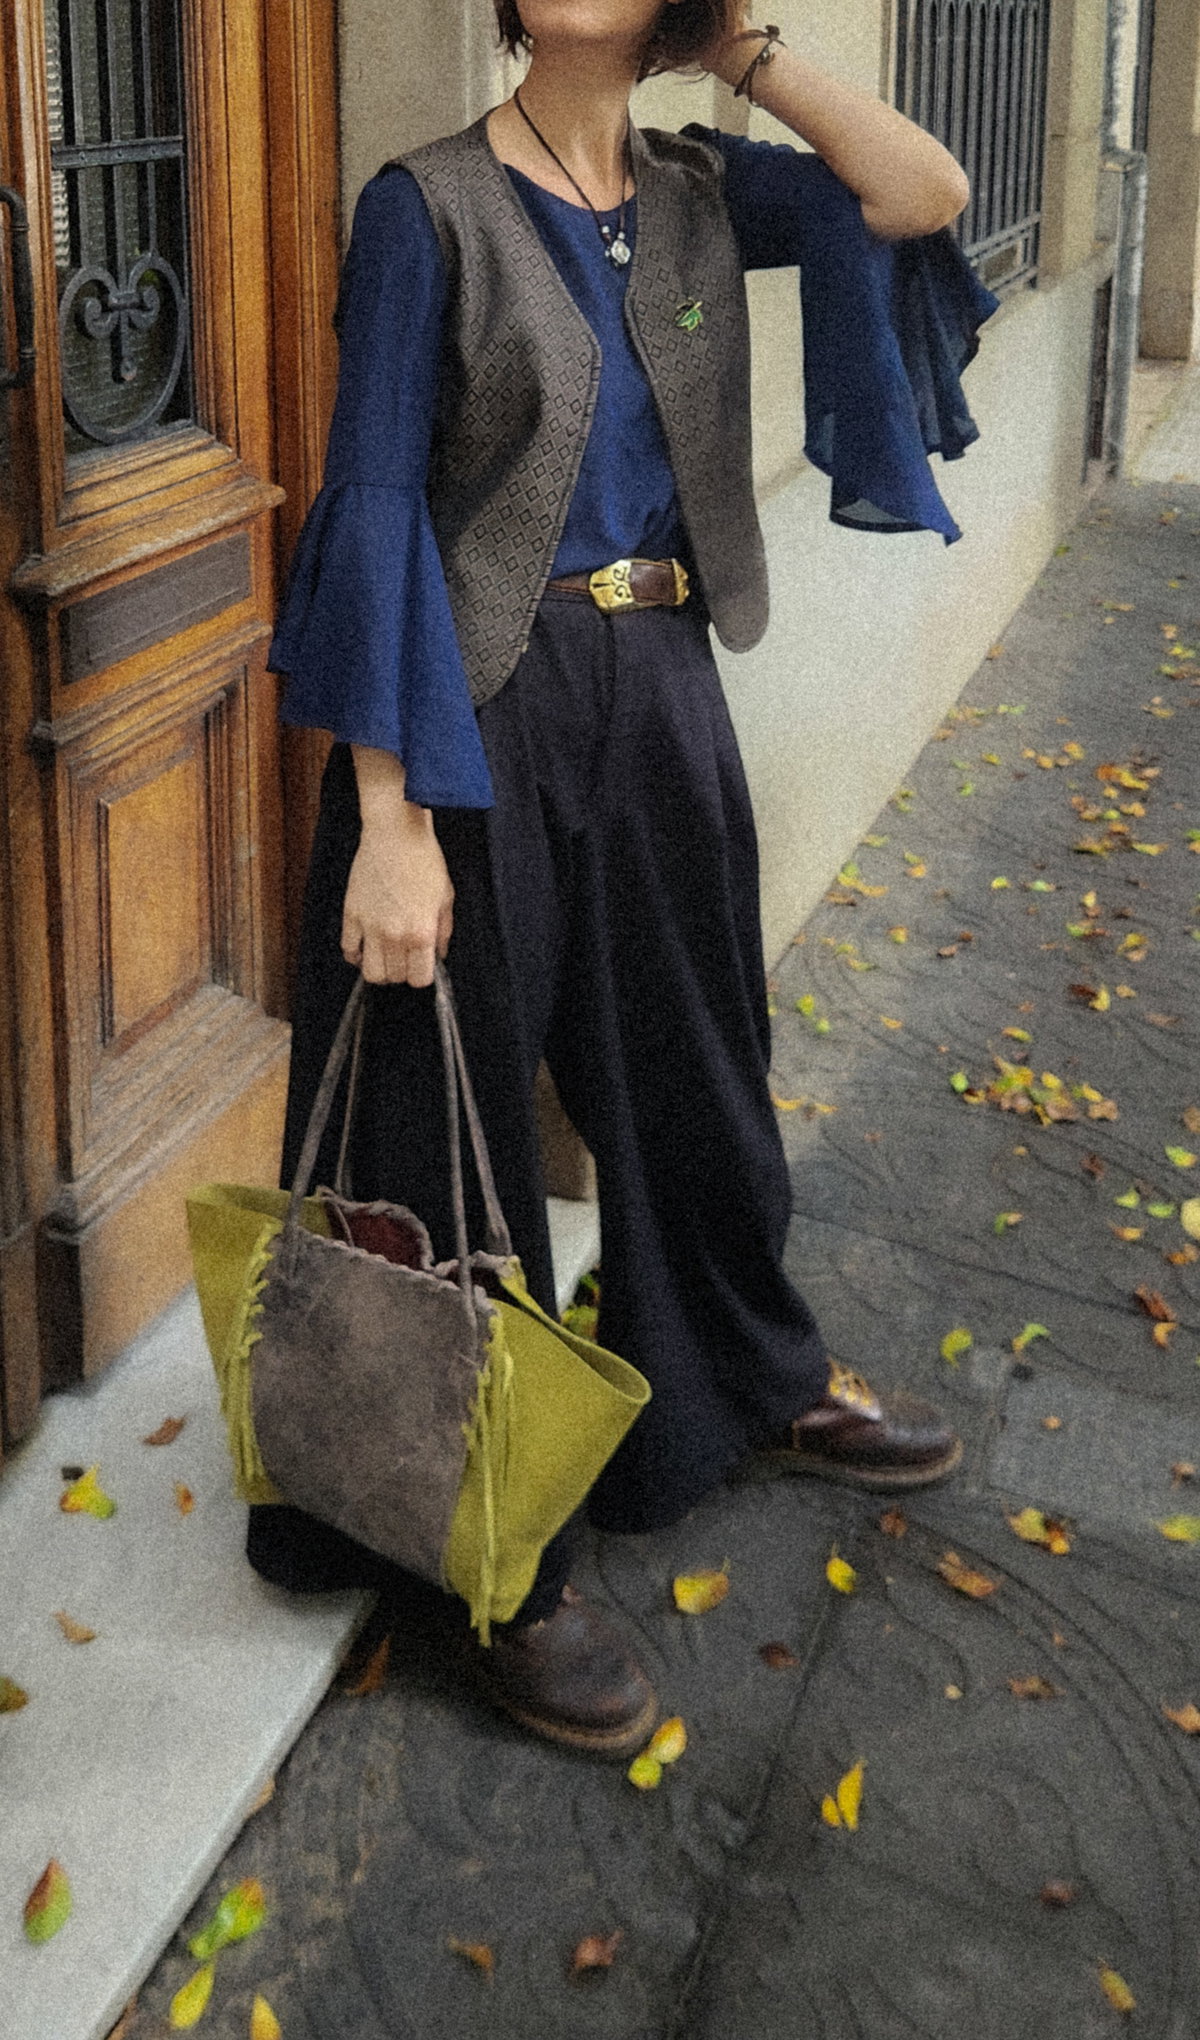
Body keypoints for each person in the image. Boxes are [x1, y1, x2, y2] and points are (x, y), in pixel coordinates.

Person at [250, 0, 997, 1756]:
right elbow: (374, 504)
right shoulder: (424, 206)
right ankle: (491, 1553)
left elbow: (920, 192)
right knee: (443, 1134)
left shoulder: (701, 189)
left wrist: (745, 53)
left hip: (660, 681)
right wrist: (388, 817)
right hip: (472, 713)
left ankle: (745, 1376)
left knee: (693, 1063)